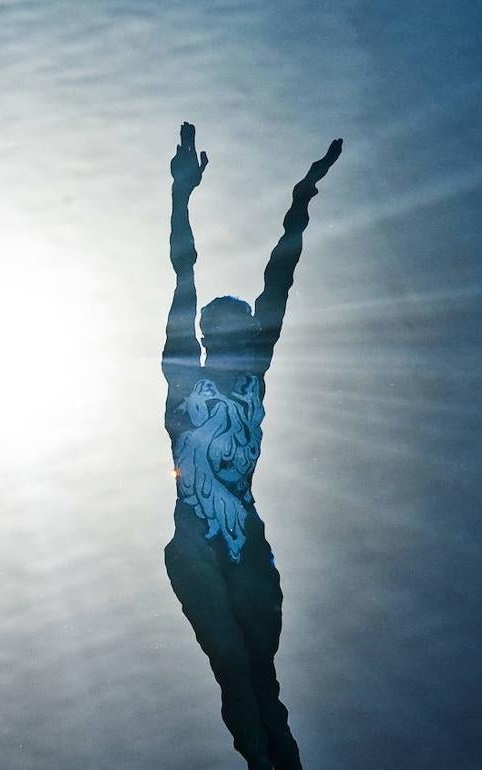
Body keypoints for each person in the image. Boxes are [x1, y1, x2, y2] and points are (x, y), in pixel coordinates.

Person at [162, 122, 341, 770]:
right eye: (220, 324)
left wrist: (301, 201)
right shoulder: (184, 370)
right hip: (194, 539)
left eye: (240, 324)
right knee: (236, 672)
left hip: (247, 540)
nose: (232, 332)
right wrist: (181, 200)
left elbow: (279, 278)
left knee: (265, 693)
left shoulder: (253, 370)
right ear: (208, 333)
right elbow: (183, 272)